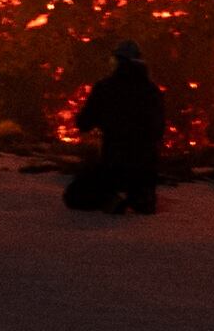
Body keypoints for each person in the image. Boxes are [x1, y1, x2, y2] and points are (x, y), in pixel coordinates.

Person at [63, 37, 166, 215]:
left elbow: (84, 123)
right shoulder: (151, 90)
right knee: (139, 180)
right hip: (145, 166)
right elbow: (158, 130)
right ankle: (142, 196)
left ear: (118, 61)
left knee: (73, 195)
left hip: (113, 163)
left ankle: (110, 199)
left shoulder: (105, 88)